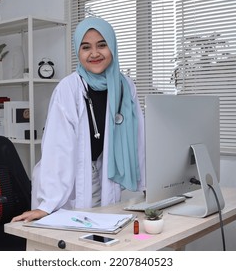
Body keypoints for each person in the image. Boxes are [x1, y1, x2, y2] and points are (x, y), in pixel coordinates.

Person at [11, 17, 146, 223]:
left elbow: (138, 137)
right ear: (77, 51)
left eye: (102, 45)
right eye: (86, 47)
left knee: (106, 239)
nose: (94, 53)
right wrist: (48, 204)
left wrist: (147, 185)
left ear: (112, 47)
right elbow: (58, 148)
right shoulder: (69, 89)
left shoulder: (125, 86)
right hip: (68, 178)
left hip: (105, 174)